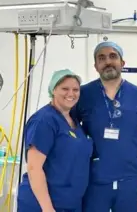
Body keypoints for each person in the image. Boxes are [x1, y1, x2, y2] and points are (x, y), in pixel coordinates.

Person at [71, 41, 137, 212]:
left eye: (112, 56)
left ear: (122, 63)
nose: (108, 61)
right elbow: (70, 134)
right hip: (93, 179)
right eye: (101, 58)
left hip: (130, 179)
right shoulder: (83, 94)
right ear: (96, 66)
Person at [17, 69, 93, 212]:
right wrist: (47, 208)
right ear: (53, 90)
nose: (71, 94)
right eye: (65, 88)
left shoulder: (74, 121)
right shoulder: (44, 121)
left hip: (69, 203)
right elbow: (34, 168)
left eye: (75, 89)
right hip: (44, 205)